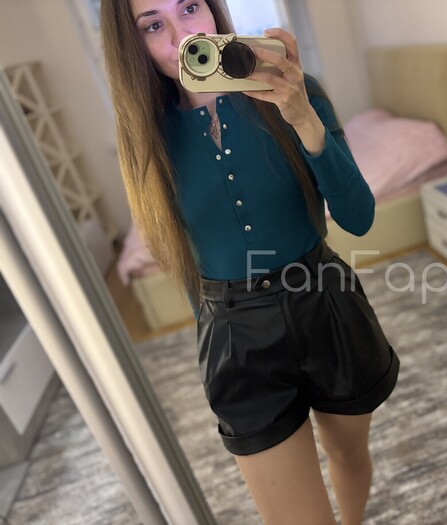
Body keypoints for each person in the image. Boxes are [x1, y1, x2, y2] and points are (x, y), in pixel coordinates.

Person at [100, 1, 400, 523]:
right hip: (237, 339)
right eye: (153, 25)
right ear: (133, 46)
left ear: (212, 9)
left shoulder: (294, 94)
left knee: (349, 455)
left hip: (328, 308)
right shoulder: (147, 138)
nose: (181, 35)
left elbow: (359, 218)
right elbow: (185, 261)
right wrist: (213, 339)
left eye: (189, 7)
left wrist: (303, 118)